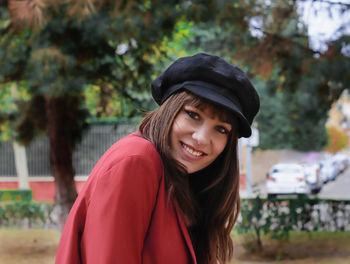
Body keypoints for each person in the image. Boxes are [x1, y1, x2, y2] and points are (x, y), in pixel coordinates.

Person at [55, 53, 260, 264]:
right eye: (192, 115)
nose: (201, 138)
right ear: (170, 110)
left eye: (221, 129)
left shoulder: (185, 183)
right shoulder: (137, 161)